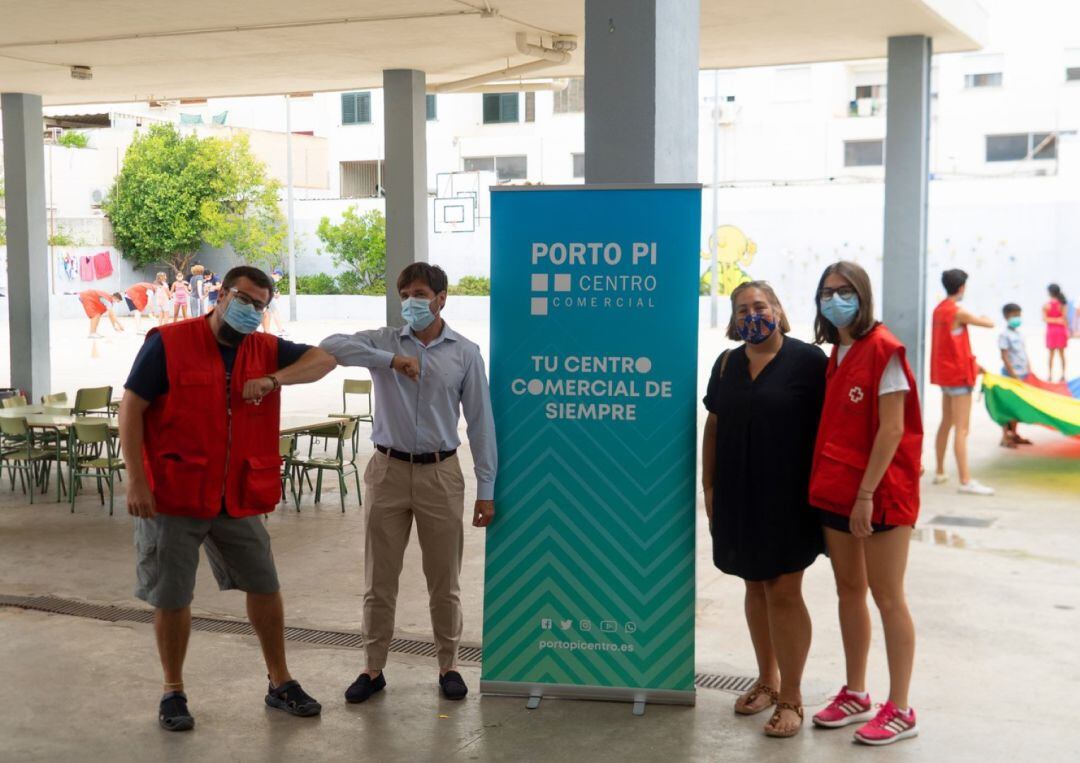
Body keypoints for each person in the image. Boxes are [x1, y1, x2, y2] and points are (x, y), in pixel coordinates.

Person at [119, 265, 338, 732]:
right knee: (172, 595)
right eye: (243, 299)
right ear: (220, 296)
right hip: (174, 494)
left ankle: (280, 681)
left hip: (235, 495)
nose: (251, 310)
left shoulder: (265, 349)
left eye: (260, 304)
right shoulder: (169, 342)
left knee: (265, 584)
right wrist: (136, 480)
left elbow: (324, 360)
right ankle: (173, 691)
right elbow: (131, 408)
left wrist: (276, 380)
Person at [319, 263, 496, 703]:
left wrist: (486, 490)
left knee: (444, 579)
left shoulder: (465, 353)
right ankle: (373, 668)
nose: (411, 302)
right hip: (387, 470)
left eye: (419, 293)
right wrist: (390, 361)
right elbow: (331, 346)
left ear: (441, 298)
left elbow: (480, 424)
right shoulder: (383, 340)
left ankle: (449, 665)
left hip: (441, 473)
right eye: (405, 294)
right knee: (379, 579)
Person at [701, 281, 826, 738]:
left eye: (761, 306)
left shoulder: (810, 362)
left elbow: (830, 429)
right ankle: (767, 680)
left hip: (790, 499)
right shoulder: (728, 363)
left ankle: (792, 696)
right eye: (743, 309)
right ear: (734, 320)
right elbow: (714, 424)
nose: (753, 314)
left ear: (778, 308)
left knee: (784, 591)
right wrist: (709, 486)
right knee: (755, 586)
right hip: (737, 494)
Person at [807, 261, 923, 747]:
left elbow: (893, 429)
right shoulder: (838, 350)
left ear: (863, 295)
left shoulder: (884, 350)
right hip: (838, 489)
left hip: (879, 495)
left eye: (845, 291)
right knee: (849, 591)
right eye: (827, 292)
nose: (835, 299)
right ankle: (856, 693)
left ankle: (900, 707)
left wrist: (865, 495)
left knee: (888, 596)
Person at [929, 269, 995, 495]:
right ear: (961, 287)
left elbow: (950, 344)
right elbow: (989, 324)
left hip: (945, 375)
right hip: (958, 376)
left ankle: (939, 471)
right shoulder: (958, 312)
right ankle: (965, 480)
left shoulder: (938, 310)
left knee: (946, 422)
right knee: (962, 429)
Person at [998, 303, 1034, 448]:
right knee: (1008, 407)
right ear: (1006, 317)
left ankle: (1014, 434)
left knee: (1017, 407)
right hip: (1011, 376)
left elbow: (1023, 354)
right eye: (1014, 316)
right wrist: (1013, 375)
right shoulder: (1004, 335)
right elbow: (1004, 356)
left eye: (1018, 315)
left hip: (1022, 374)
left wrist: (1029, 370)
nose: (1017, 318)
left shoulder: (1018, 334)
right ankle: (1005, 437)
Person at [1044, 284, 1069, 382]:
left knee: (1051, 355)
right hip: (1061, 331)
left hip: (1051, 331)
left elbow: (1045, 319)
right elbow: (1064, 319)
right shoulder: (1062, 304)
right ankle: (1063, 375)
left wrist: (1053, 320)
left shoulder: (1046, 305)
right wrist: (1058, 321)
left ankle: (1050, 375)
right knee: (1062, 355)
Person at [261, 270, 287, 336]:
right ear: (276, 274)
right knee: (273, 313)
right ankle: (279, 330)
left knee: (267, 314)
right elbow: (267, 289)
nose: (280, 278)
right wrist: (274, 294)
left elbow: (271, 288)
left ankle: (267, 331)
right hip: (266, 298)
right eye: (280, 276)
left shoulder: (269, 279)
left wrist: (275, 292)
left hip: (266, 298)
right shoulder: (270, 279)